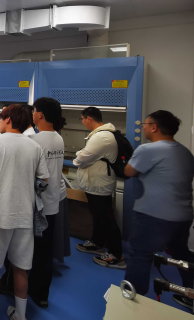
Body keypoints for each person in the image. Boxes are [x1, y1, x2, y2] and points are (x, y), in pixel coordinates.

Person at [0, 105, 49, 320]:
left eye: (1, 119)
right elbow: (44, 179)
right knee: (20, 269)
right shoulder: (34, 146)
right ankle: (20, 315)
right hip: (25, 216)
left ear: (8, 119)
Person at [123, 110, 194, 304]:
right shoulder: (185, 152)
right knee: (182, 254)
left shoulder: (148, 149)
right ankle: (191, 294)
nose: (143, 128)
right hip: (183, 215)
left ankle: (132, 300)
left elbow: (128, 171)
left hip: (154, 215)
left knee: (140, 254)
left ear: (154, 127)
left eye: (144, 125)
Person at [74, 107, 125, 269]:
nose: (82, 122)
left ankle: (116, 255)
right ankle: (97, 243)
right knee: (98, 216)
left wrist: (78, 156)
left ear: (89, 118)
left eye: (82, 119)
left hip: (99, 184)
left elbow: (82, 158)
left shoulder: (102, 137)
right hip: (96, 184)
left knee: (106, 218)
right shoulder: (100, 135)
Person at [27, 97, 66, 308]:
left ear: (39, 114)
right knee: (46, 250)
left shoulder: (34, 140)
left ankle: (32, 290)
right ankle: (42, 293)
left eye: (34, 110)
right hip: (52, 203)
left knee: (33, 250)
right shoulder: (58, 138)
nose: (32, 114)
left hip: (36, 205)